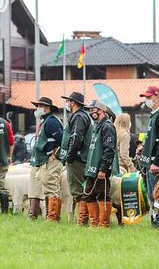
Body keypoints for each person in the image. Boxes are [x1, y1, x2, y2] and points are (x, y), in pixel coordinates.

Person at [136, 86, 159, 228]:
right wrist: (143, 148)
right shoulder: (154, 115)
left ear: (157, 97)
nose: (147, 100)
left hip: (156, 164)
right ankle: (156, 219)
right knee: (152, 194)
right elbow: (153, 139)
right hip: (149, 161)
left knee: (158, 194)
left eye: (149, 97)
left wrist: (157, 162)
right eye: (146, 97)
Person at [84, 100, 119, 227]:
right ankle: (94, 223)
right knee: (88, 194)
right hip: (92, 169)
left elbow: (109, 150)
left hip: (101, 169)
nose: (91, 112)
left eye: (93, 109)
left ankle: (103, 224)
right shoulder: (97, 126)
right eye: (90, 110)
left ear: (101, 111)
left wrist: (103, 169)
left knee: (103, 195)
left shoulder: (107, 126)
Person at [60, 91, 92, 226]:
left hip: (77, 159)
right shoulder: (83, 116)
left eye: (69, 101)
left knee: (78, 190)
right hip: (81, 157)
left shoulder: (78, 117)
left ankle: (82, 221)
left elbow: (76, 137)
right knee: (81, 189)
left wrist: (70, 156)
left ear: (73, 103)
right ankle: (84, 219)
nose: (67, 104)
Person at [29, 97, 64, 222]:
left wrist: (53, 153)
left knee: (51, 185)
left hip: (52, 159)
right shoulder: (46, 121)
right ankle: (51, 216)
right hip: (46, 159)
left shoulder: (52, 122)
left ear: (46, 107)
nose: (36, 109)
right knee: (47, 185)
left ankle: (53, 217)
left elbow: (62, 140)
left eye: (38, 106)